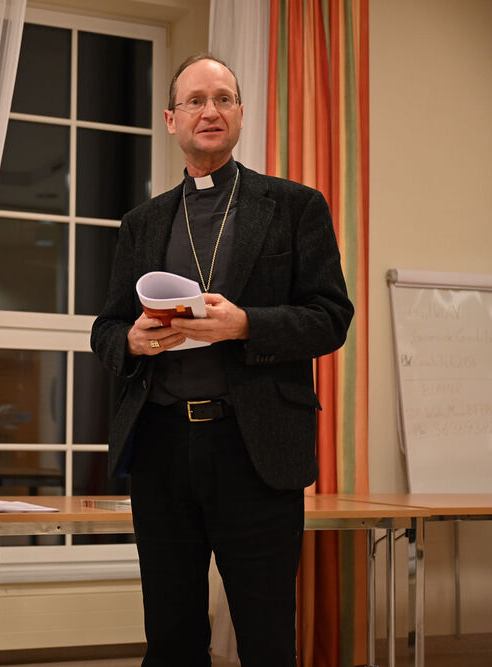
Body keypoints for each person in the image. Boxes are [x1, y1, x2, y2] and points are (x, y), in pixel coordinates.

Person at [91, 55, 354, 666]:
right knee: (171, 635)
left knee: (266, 635)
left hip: (253, 445)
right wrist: (131, 341)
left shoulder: (294, 205)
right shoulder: (142, 222)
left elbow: (331, 317)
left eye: (223, 99)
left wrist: (246, 324)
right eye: (195, 101)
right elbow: (105, 328)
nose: (210, 111)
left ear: (240, 112)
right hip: (161, 446)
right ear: (171, 119)